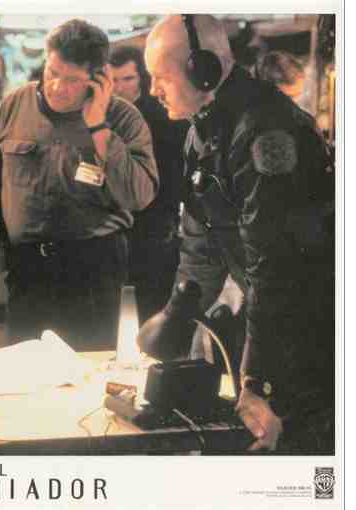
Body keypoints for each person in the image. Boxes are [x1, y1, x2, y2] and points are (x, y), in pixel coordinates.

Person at [142, 15, 334, 453]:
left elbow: (275, 266)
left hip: (314, 330)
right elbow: (199, 249)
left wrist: (257, 380)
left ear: (202, 71)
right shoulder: (203, 131)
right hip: (274, 322)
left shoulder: (266, 131)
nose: (154, 91)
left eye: (161, 78)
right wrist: (177, 322)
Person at [0, 19, 158, 351]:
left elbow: (139, 196)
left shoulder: (124, 118)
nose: (57, 87)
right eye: (52, 72)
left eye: (71, 80)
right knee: (24, 368)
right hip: (26, 269)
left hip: (92, 269)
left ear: (98, 78)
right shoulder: (14, 105)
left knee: (88, 370)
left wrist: (98, 128)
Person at [110, 45, 187, 325]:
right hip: (116, 223)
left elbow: (178, 169)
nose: (119, 87)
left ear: (141, 78)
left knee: (153, 308)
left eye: (127, 79)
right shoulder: (101, 114)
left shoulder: (162, 113)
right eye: (113, 80)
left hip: (155, 222)